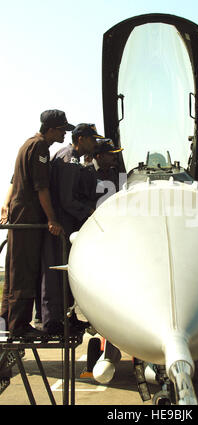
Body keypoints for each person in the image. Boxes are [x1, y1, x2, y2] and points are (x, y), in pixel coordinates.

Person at [0, 109, 72, 338]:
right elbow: (41, 187)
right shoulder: (40, 147)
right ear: (51, 129)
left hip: (19, 214)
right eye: (62, 130)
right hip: (29, 217)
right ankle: (19, 325)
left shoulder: (27, 145)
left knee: (14, 268)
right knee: (25, 269)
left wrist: (6, 205)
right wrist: (52, 219)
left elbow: (14, 180)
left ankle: (5, 319)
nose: (64, 135)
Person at [41, 123, 113, 335]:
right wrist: (89, 212)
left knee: (66, 273)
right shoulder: (69, 159)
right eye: (92, 139)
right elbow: (66, 200)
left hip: (67, 223)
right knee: (55, 272)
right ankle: (52, 322)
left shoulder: (74, 158)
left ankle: (64, 319)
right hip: (62, 224)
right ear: (81, 139)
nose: (94, 144)